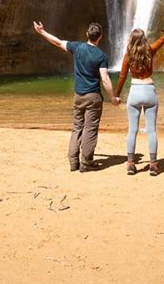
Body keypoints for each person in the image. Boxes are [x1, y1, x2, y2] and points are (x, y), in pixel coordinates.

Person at [33, 20, 120, 172]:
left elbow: (58, 42)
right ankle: (86, 163)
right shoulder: (101, 56)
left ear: (87, 35)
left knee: (77, 127)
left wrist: (42, 32)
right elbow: (105, 79)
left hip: (78, 96)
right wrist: (113, 97)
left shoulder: (77, 47)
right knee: (90, 130)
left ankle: (73, 162)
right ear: (100, 37)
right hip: (93, 96)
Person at [114, 15, 164, 176]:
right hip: (149, 90)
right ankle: (153, 165)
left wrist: (116, 95)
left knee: (132, 130)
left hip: (134, 91)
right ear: (144, 40)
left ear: (131, 41)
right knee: (151, 130)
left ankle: (131, 164)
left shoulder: (128, 57)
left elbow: (122, 78)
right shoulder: (150, 51)